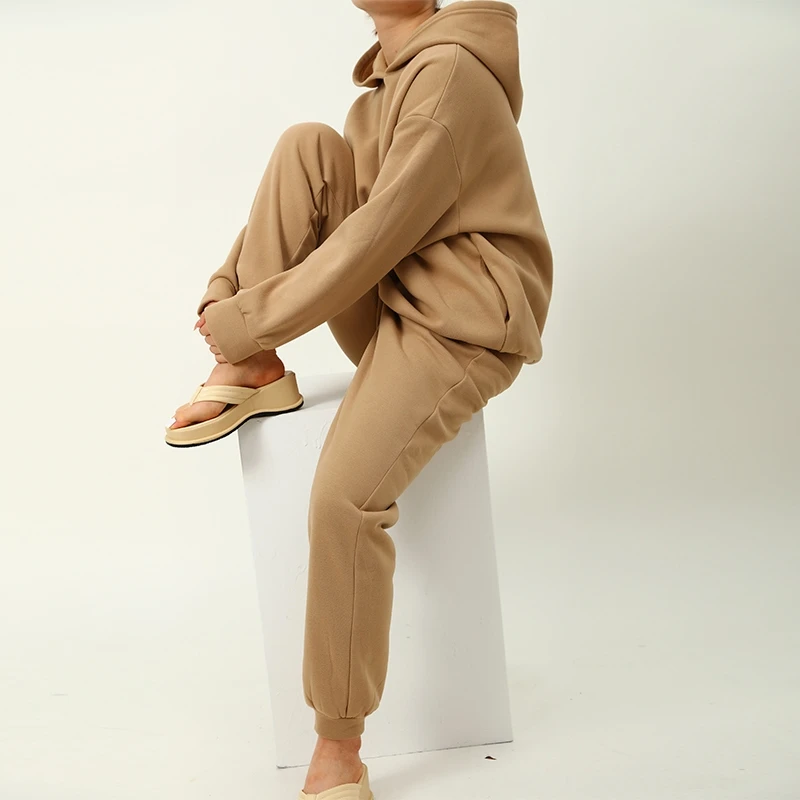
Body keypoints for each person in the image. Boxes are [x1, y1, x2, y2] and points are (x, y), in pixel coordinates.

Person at [166, 0, 552, 796]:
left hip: (461, 323)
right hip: (399, 297)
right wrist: (231, 307)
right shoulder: (384, 84)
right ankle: (256, 368)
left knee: (343, 499)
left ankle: (339, 749)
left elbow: (375, 236)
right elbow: (367, 236)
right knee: (307, 145)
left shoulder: (450, 74)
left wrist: (243, 316)